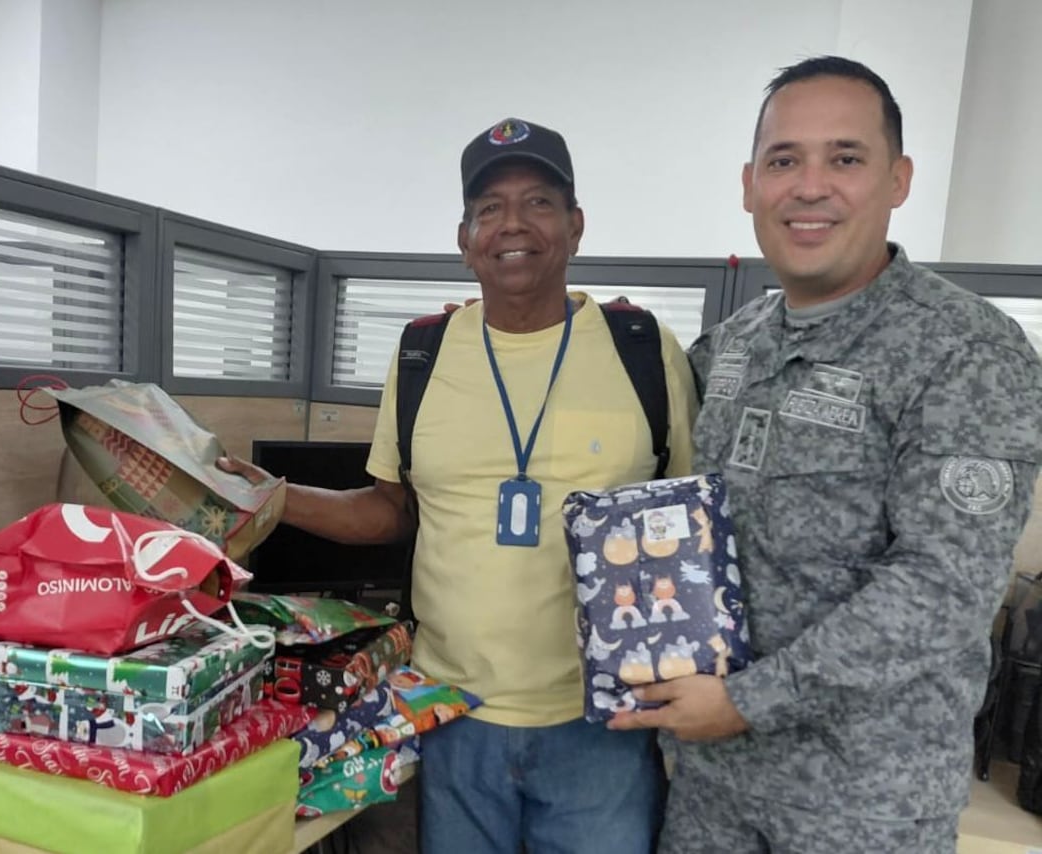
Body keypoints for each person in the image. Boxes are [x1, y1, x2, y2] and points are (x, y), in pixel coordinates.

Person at [222, 117, 697, 853]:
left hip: (603, 722)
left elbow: (687, 526)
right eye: (490, 208)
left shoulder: (642, 348)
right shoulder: (422, 352)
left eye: (539, 202)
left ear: (575, 227)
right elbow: (389, 510)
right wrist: (274, 496)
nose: (514, 224)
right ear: (465, 238)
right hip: (451, 711)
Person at [609, 55, 1042, 853]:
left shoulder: (966, 351)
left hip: (863, 804)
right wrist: (517, 326)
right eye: (784, 160)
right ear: (750, 185)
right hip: (712, 790)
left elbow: (942, 590)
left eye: (845, 158)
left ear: (898, 178)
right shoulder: (729, 348)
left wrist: (747, 701)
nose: (810, 187)